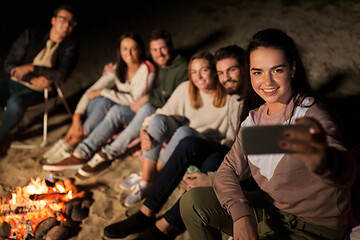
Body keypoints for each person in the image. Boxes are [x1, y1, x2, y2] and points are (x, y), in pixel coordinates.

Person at [179, 28, 356, 240]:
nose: (267, 82)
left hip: (313, 227)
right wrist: (241, 215)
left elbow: (345, 171)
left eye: (277, 70)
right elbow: (229, 169)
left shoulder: (310, 115)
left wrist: (325, 161)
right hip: (272, 211)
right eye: (258, 72)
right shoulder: (256, 120)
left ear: (292, 68)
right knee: (193, 202)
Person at [103, 45, 250, 239]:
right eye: (222, 72)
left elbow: (248, 152)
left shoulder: (244, 99)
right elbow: (162, 114)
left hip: (229, 154)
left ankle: (164, 226)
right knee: (187, 140)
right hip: (208, 147)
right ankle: (145, 213)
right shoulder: (197, 89)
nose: (225, 77)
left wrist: (213, 179)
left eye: (231, 70)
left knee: (211, 163)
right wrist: (144, 130)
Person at [43, 29, 188, 175]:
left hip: (158, 114)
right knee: (107, 105)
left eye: (163, 48)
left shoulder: (169, 68)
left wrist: (147, 97)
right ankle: (81, 151)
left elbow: (165, 100)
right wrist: (76, 116)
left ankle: (106, 153)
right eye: (155, 50)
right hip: (134, 108)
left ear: (171, 47)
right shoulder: (149, 64)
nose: (159, 53)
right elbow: (92, 91)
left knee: (141, 107)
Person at [122, 50, 233, 207]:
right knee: (160, 120)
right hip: (183, 142)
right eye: (193, 72)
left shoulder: (229, 98)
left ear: (215, 72)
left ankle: (152, 176)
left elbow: (229, 140)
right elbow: (162, 113)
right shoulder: (186, 88)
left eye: (204, 70)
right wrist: (144, 129)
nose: (198, 77)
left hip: (206, 146)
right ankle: (146, 181)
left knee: (184, 132)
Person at [0, 4, 79, 151]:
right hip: (17, 82)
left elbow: (61, 75)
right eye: (63, 19)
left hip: (41, 90)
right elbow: (9, 64)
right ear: (53, 20)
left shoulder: (70, 47)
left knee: (15, 102)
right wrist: (31, 78)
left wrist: (32, 68)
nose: (66, 24)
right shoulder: (31, 35)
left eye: (71, 22)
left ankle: (1, 137)